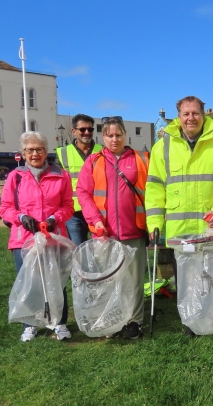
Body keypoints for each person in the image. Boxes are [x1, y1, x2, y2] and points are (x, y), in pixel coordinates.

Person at [146, 95, 213, 348]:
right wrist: (154, 223)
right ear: (178, 116)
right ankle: (191, 323)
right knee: (186, 280)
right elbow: (154, 187)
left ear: (204, 114)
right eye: (185, 114)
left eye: (195, 113)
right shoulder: (162, 147)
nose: (190, 118)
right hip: (179, 230)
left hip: (210, 227)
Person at [76, 117, 148, 339]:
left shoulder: (140, 159)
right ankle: (113, 319)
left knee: (135, 280)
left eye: (118, 134)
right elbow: (83, 192)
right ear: (102, 137)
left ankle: (135, 321)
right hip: (104, 233)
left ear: (125, 135)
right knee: (109, 279)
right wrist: (95, 220)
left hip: (134, 229)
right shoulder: (94, 161)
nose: (114, 139)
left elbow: (152, 191)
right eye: (109, 135)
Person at [0, 131, 74, 342]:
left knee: (57, 282)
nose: (35, 154)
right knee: (30, 282)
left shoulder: (61, 175)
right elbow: (5, 208)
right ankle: (30, 324)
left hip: (53, 238)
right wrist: (21, 217)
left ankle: (59, 323)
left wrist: (54, 218)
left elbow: (68, 206)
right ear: (23, 153)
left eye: (39, 149)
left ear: (45, 151)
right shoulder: (15, 177)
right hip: (23, 240)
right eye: (30, 150)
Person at [56, 114, 103, 247]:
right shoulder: (62, 153)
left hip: (98, 209)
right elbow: (58, 184)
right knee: (78, 250)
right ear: (74, 131)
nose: (87, 132)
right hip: (74, 212)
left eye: (90, 129)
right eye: (82, 129)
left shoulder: (103, 151)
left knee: (101, 250)